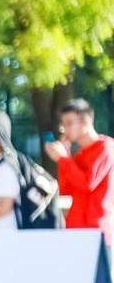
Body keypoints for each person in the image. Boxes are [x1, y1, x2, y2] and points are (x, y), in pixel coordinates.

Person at [46, 99, 113, 260]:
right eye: (63, 123)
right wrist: (66, 157)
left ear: (85, 122)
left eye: (69, 123)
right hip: (77, 230)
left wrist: (63, 159)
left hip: (98, 232)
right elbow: (66, 189)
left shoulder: (106, 147)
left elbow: (87, 183)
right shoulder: (79, 155)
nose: (64, 129)